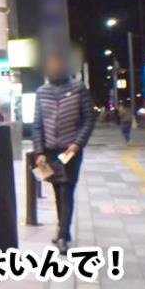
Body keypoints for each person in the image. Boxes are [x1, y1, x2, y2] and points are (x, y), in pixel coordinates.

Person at [32, 54, 96, 253]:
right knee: (56, 191)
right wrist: (39, 151)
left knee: (66, 190)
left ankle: (61, 236)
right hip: (49, 152)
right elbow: (37, 125)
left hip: (71, 152)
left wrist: (77, 144)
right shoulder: (42, 92)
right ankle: (64, 231)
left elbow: (89, 119)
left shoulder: (78, 89)